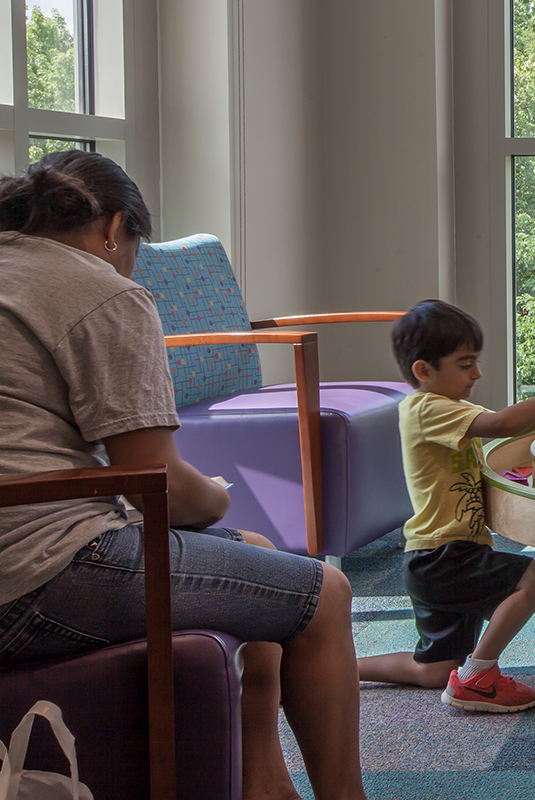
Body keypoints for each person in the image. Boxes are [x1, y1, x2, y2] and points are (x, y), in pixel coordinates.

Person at [0, 151, 367, 800]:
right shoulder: (99, 289)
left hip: (23, 545)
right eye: (132, 249)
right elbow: (156, 480)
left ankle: (262, 779)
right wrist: (217, 498)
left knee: (259, 556)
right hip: (36, 575)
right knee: (326, 594)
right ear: (115, 228)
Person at [356, 299, 535, 712]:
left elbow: (503, 422)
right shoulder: (425, 409)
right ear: (424, 371)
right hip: (445, 555)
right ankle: (479, 676)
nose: (477, 373)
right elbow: (503, 425)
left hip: (435, 557)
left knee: (433, 670)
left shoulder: (452, 409)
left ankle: (342, 666)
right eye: (466, 364)